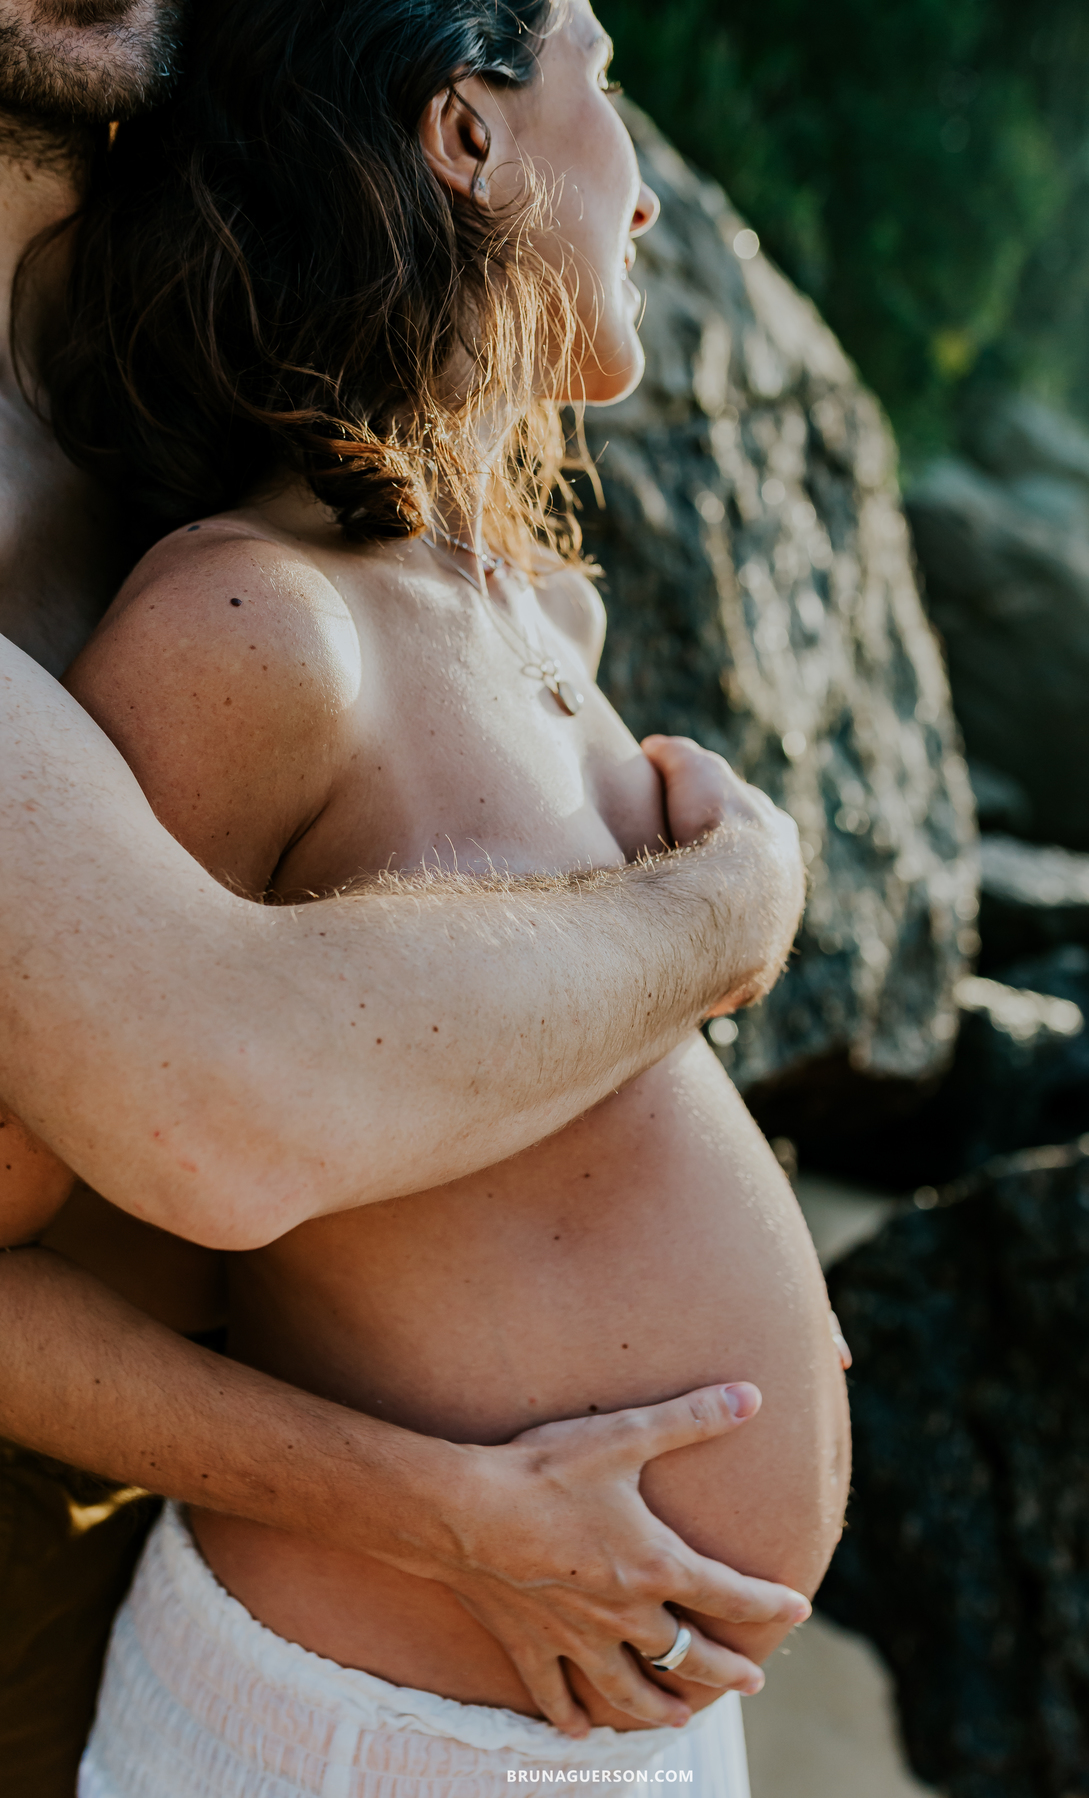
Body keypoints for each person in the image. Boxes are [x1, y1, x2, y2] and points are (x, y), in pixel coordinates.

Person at [32, 0, 853, 1790]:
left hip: (642, 1722)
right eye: (604, 80)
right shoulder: (249, 628)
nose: (648, 199)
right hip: (350, 1729)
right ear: (464, 135)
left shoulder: (549, 618)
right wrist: (443, 1510)